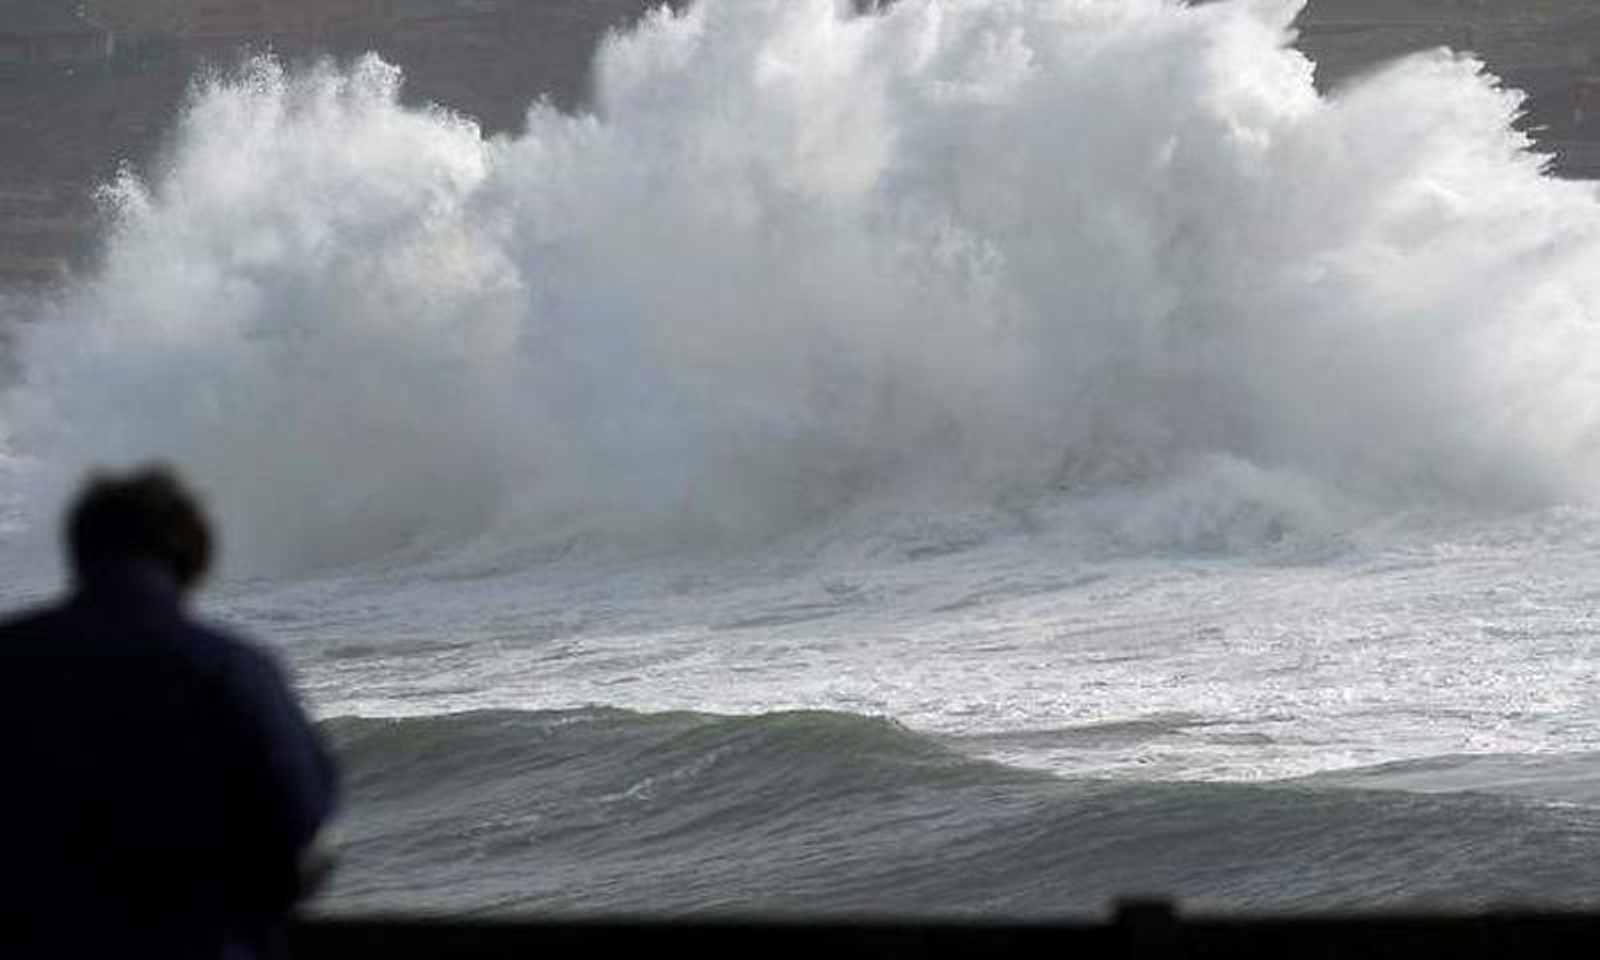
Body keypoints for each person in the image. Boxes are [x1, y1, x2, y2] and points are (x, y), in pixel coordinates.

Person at [0, 467, 339, 958]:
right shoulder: (233, 672)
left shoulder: (10, 659)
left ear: (79, 555)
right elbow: (304, 835)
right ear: (193, 560)